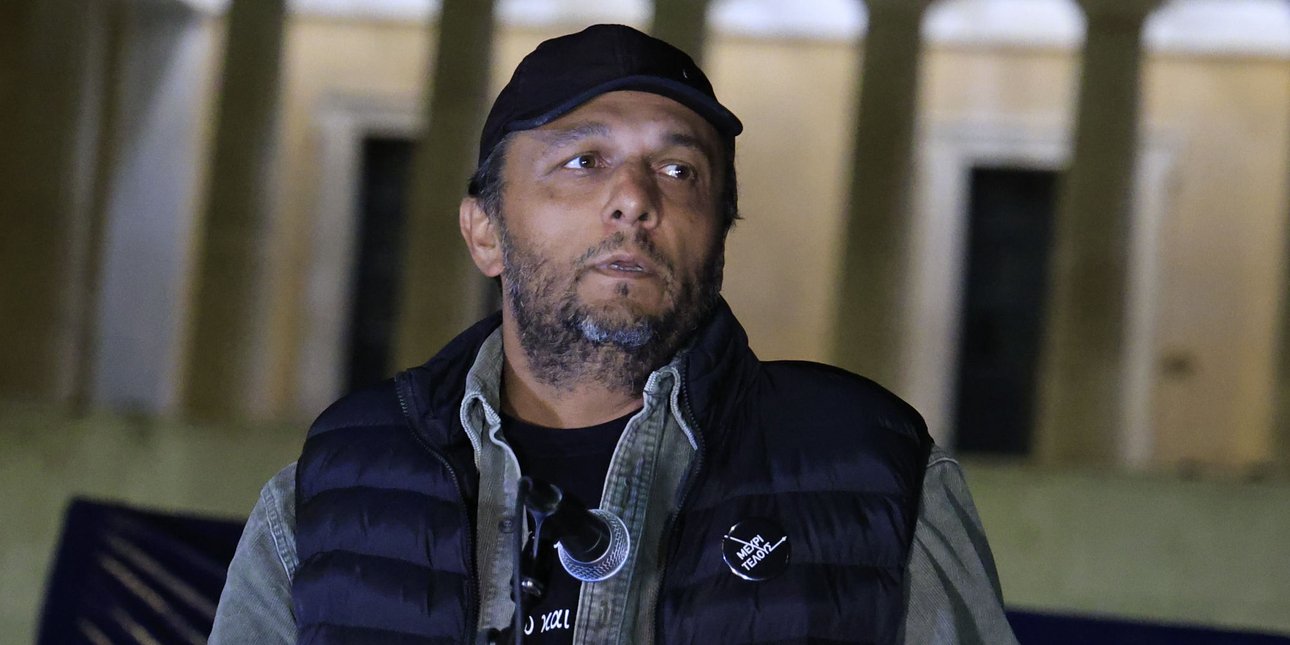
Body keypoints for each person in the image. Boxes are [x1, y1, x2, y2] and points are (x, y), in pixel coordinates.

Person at [211, 23, 1017, 645]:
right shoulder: (327, 496)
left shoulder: (878, 475)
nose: (635, 197)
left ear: (719, 234)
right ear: (484, 232)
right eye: (583, 161)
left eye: (679, 170)